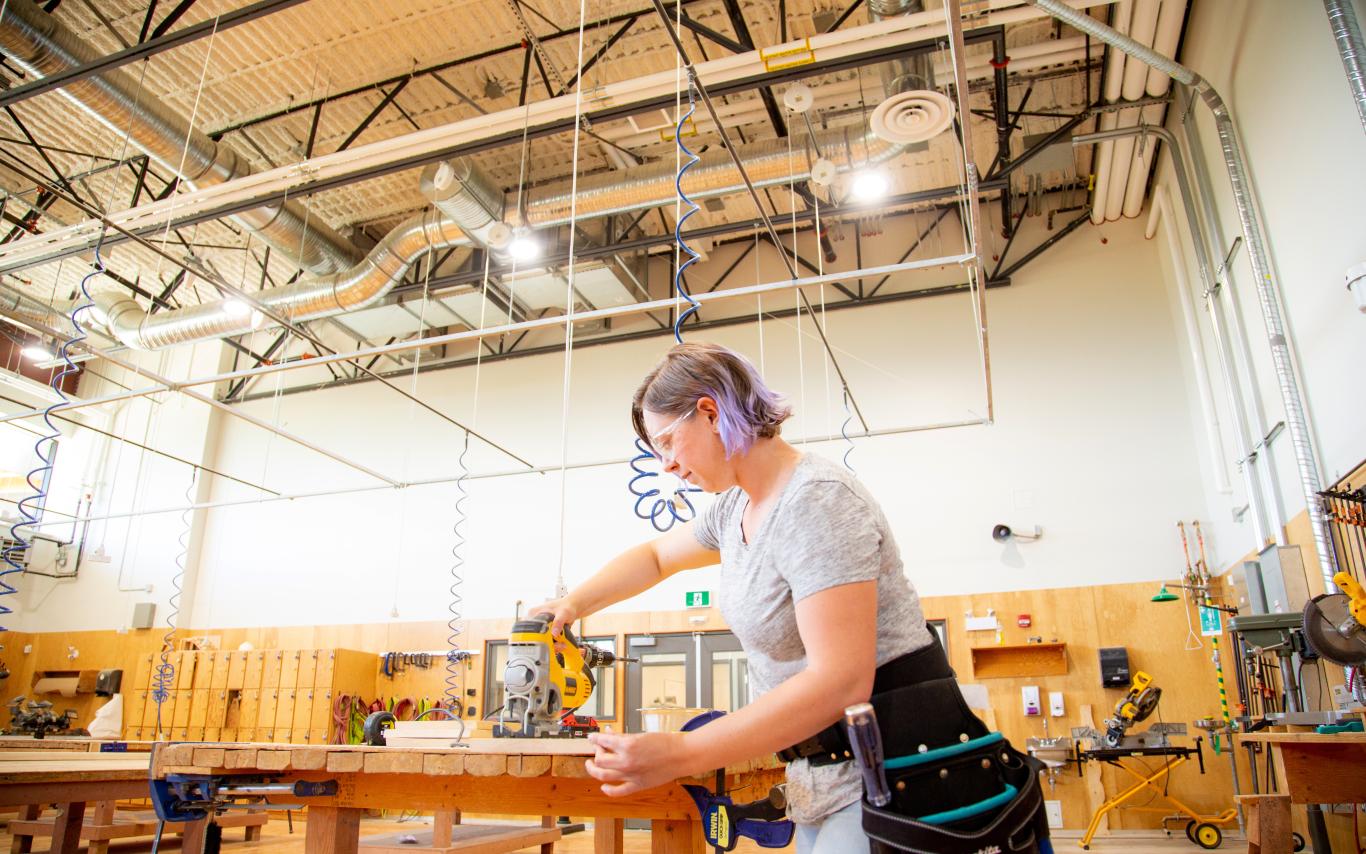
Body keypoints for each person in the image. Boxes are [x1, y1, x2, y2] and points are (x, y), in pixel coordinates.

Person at [529, 341, 937, 853]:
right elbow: (655, 557)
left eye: (667, 442)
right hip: (822, 779)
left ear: (710, 411)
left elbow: (841, 682)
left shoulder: (816, 500)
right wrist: (572, 605)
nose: (667, 465)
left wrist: (681, 752)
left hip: (891, 773)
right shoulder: (735, 509)